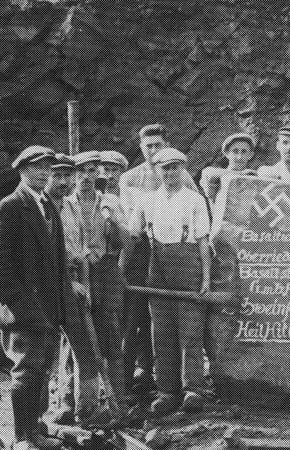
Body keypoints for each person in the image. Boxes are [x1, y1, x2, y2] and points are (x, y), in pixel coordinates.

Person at [0, 145, 84, 450]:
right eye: (38, 167)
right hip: (24, 312)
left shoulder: (47, 206)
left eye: (48, 167)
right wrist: (23, 307)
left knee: (41, 371)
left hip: (48, 310)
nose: (45, 173)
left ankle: (36, 427)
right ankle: (23, 438)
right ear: (22, 170)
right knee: (26, 373)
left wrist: (62, 309)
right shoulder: (11, 207)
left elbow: (56, 263)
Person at [127, 147, 212, 415]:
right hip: (157, 267)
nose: (170, 172)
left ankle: (192, 390)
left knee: (190, 332)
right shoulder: (147, 201)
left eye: (175, 167)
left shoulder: (195, 200)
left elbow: (202, 242)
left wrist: (206, 278)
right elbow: (132, 237)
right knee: (161, 332)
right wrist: (121, 268)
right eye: (165, 168)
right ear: (157, 170)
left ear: (183, 169)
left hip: (189, 267)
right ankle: (167, 391)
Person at [119, 124, 197, 397]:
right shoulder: (130, 180)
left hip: (181, 260)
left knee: (180, 324)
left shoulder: (184, 181)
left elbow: (199, 222)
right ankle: (140, 383)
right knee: (143, 322)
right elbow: (132, 228)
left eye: (158, 146)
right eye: (148, 146)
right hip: (144, 256)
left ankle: (184, 386)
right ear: (141, 148)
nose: (153, 151)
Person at [62, 151, 129, 412]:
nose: (86, 177)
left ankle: (117, 401)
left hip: (105, 272)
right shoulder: (64, 204)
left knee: (111, 334)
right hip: (77, 273)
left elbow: (125, 242)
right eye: (81, 172)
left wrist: (113, 222)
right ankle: (72, 401)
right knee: (75, 337)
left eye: (92, 171)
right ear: (73, 176)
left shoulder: (109, 201)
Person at [44, 154, 102, 426]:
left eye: (68, 176)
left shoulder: (71, 208)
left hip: (75, 287)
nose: (64, 182)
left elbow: (81, 252)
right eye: (58, 175)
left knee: (83, 347)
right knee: (43, 353)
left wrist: (85, 285)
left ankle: (84, 408)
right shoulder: (38, 208)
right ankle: (46, 413)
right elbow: (46, 257)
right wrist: (69, 282)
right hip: (49, 288)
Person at [199, 132, 257, 203]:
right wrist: (241, 174)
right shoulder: (212, 172)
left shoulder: (253, 178)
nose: (239, 157)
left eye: (244, 152)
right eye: (235, 151)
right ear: (226, 153)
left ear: (250, 155)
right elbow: (211, 174)